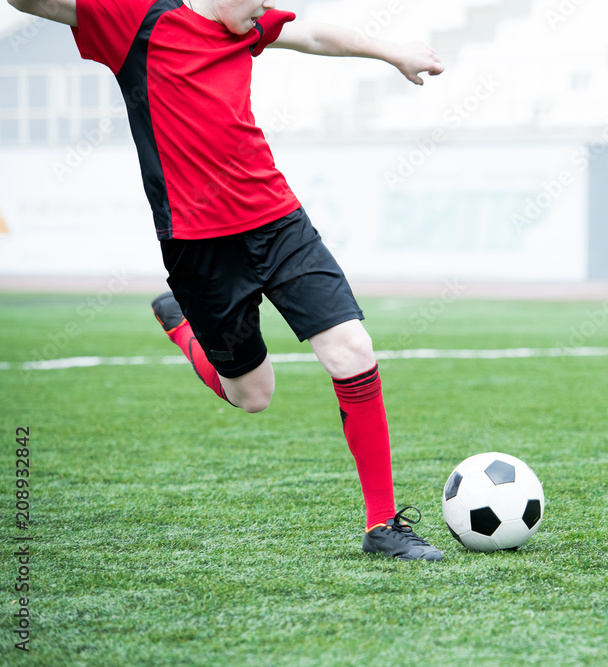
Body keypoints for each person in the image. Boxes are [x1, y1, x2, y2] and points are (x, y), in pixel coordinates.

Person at [9, 0, 446, 560]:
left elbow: (314, 36)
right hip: (200, 247)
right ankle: (182, 327)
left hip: (278, 222)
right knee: (252, 395)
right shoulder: (137, 18)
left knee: (352, 348)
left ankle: (382, 525)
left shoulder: (249, 24)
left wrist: (392, 51)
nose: (265, 7)